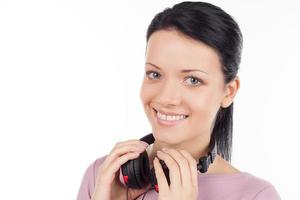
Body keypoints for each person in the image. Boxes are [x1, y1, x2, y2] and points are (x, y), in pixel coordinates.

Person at [76, 1, 281, 200]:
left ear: (228, 92)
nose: (167, 98)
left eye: (193, 80)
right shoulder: (103, 176)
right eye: (155, 74)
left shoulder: (255, 195)